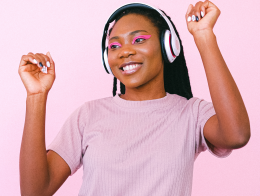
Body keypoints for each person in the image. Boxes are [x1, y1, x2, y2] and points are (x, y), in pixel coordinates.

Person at [18, 1, 250, 195]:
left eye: (139, 40)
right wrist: (36, 96)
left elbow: (236, 135)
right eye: (114, 45)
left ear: (168, 46)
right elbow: (35, 191)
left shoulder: (191, 113)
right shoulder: (87, 115)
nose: (124, 51)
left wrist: (204, 36)